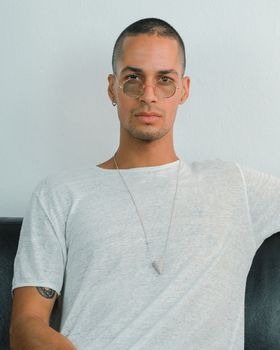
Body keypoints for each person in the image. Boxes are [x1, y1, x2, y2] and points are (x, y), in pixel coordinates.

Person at [9, 17, 280, 350]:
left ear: (183, 90)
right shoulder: (60, 193)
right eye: (133, 79)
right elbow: (26, 325)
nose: (148, 95)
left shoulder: (233, 184)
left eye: (164, 80)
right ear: (112, 88)